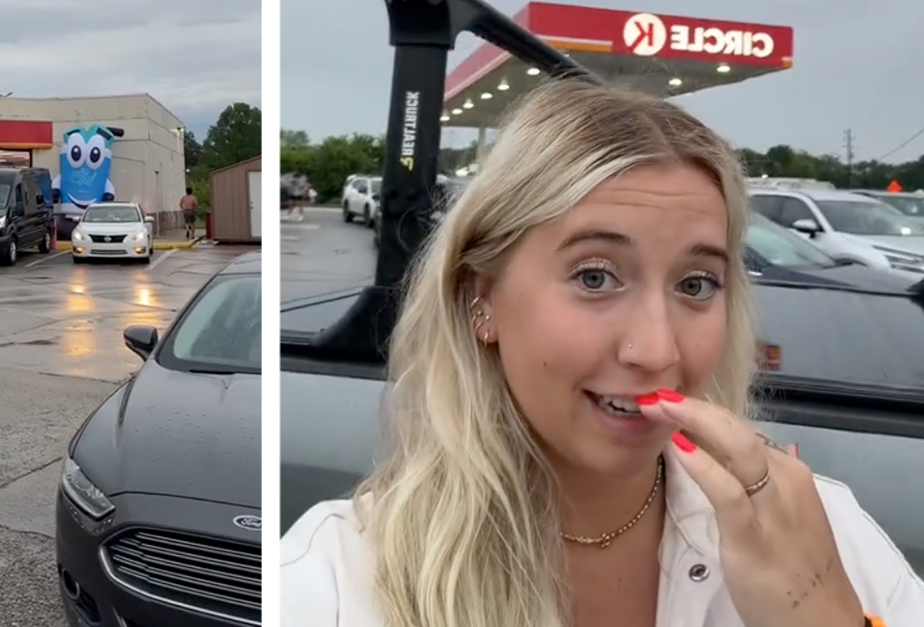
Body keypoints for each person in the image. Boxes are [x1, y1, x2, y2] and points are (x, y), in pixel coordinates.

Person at [279, 78, 924, 627]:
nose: (657, 349)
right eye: (595, 276)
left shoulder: (822, 532)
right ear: (483, 299)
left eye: (696, 284)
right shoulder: (335, 580)